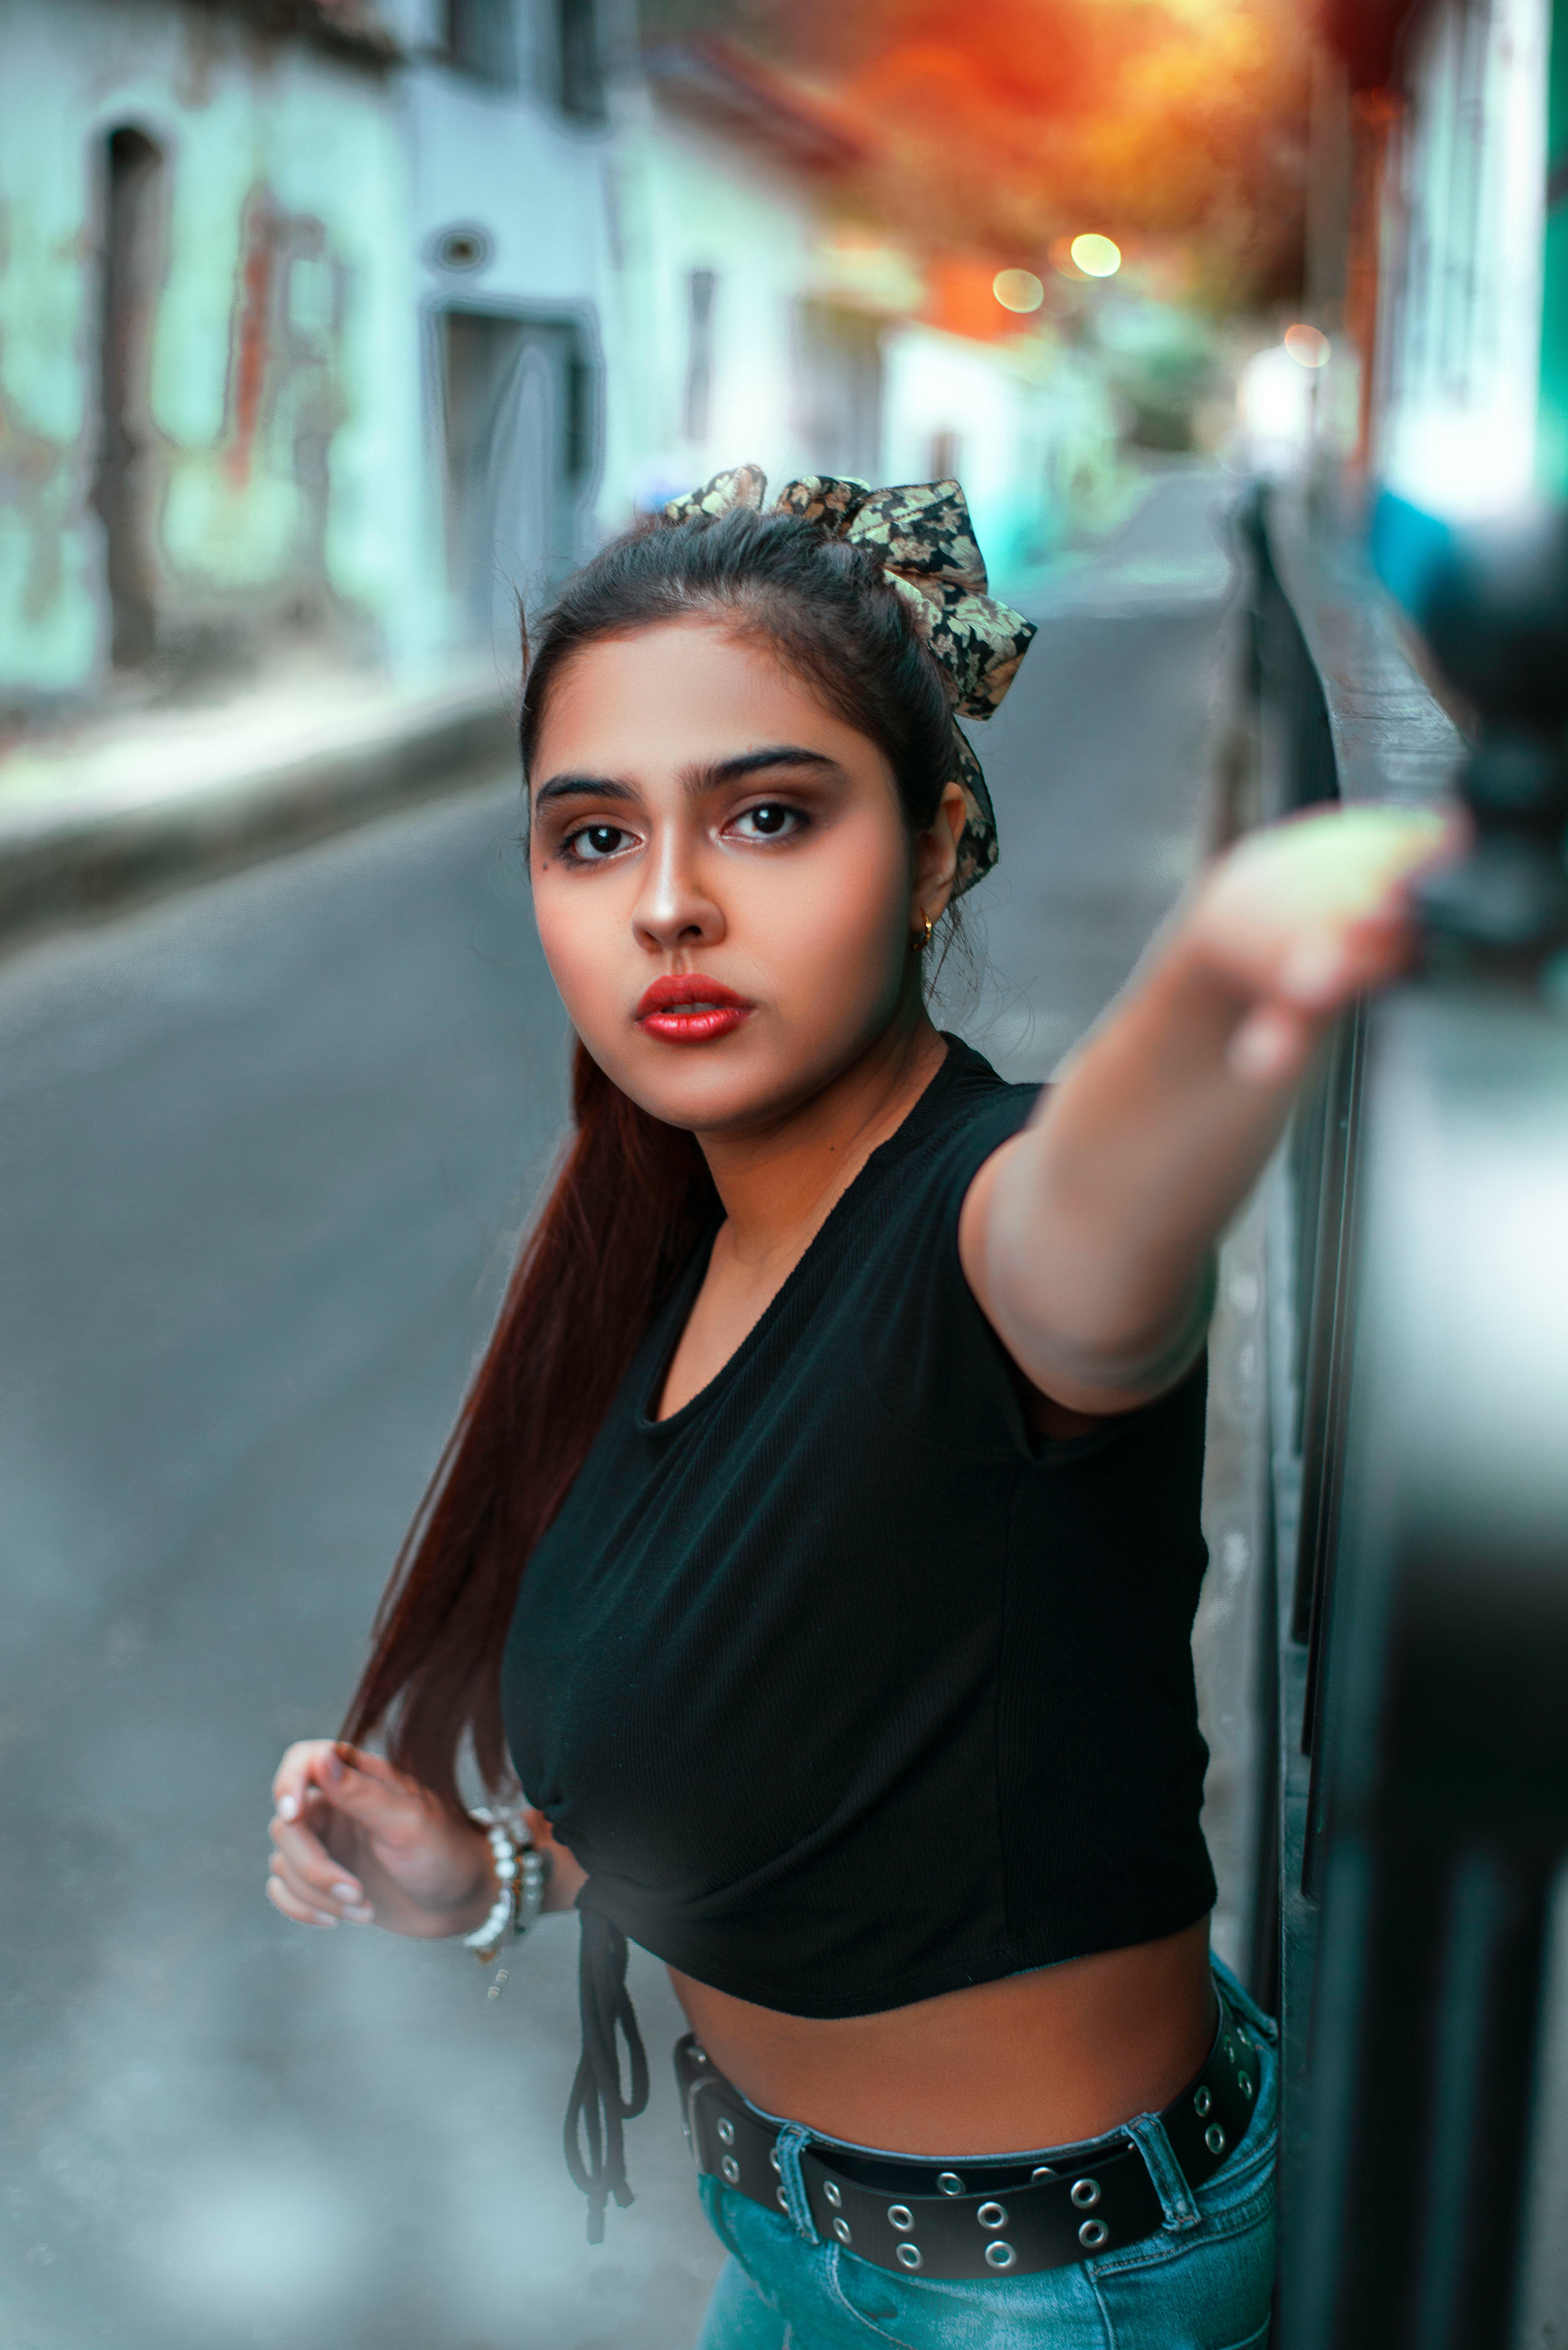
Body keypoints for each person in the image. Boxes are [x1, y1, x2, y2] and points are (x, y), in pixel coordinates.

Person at [265, 467, 1444, 2347]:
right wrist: (482, 1877)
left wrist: (1286, 912)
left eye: (767, 816)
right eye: (591, 839)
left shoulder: (998, 1231)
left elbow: (1129, 1163)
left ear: (937, 844)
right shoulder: (671, 1248)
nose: (668, 907)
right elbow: (781, 1749)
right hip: (795, 2246)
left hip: (1057, 2295)